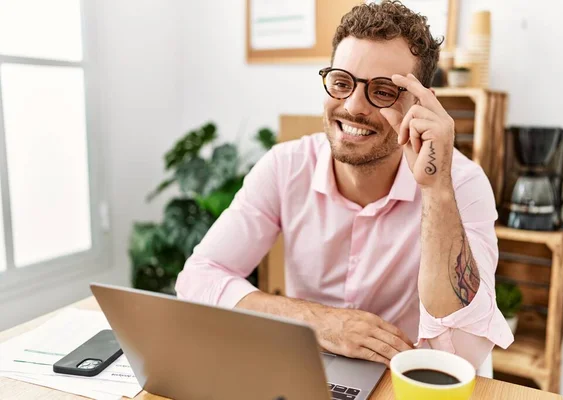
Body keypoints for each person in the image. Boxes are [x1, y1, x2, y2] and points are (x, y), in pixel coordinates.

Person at [175, 0, 513, 369]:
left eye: (383, 91)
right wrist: (319, 322)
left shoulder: (460, 184)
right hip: (309, 372)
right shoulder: (285, 167)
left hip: (407, 380)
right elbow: (198, 279)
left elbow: (462, 355)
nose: (353, 106)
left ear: (420, 103)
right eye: (341, 82)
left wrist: (435, 191)